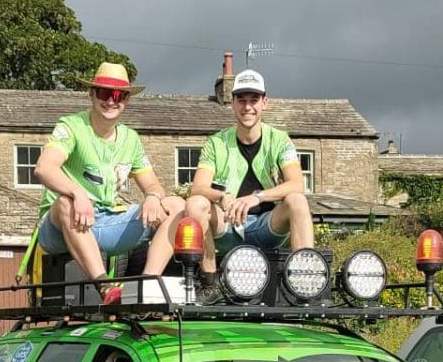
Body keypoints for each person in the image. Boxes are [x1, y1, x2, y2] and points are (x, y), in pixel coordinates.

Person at [32, 63, 185, 283]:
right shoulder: (71, 126)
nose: (111, 101)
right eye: (105, 93)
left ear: (127, 100)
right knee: (66, 203)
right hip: (61, 228)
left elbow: (153, 185)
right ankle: (104, 285)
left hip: (105, 222)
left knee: (177, 205)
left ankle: (148, 284)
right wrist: (77, 193)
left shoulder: (131, 139)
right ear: (92, 94)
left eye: (119, 95)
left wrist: (153, 197)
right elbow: (44, 168)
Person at [183, 69, 316, 283]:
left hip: (267, 226)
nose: (247, 107)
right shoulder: (215, 143)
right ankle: (209, 281)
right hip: (227, 224)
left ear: (265, 103)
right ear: (232, 103)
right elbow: (197, 188)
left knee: (297, 200)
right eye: (241, 100)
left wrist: (257, 197)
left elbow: (297, 184)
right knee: (195, 203)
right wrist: (223, 196)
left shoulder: (280, 140)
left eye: (254, 100)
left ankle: (304, 282)